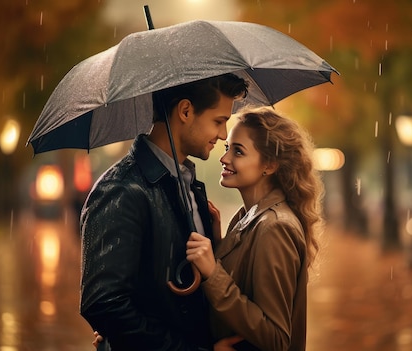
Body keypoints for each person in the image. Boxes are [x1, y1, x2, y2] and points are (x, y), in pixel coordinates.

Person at [80, 73, 248, 350]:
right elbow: (104, 303)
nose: (222, 134)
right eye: (219, 121)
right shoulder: (121, 190)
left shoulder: (189, 186)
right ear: (185, 111)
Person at [186, 106, 324, 351]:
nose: (224, 158)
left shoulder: (274, 227)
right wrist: (219, 244)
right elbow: (245, 287)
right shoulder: (250, 217)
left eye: (238, 151)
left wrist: (212, 273)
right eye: (228, 148)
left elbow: (276, 339)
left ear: (269, 165)